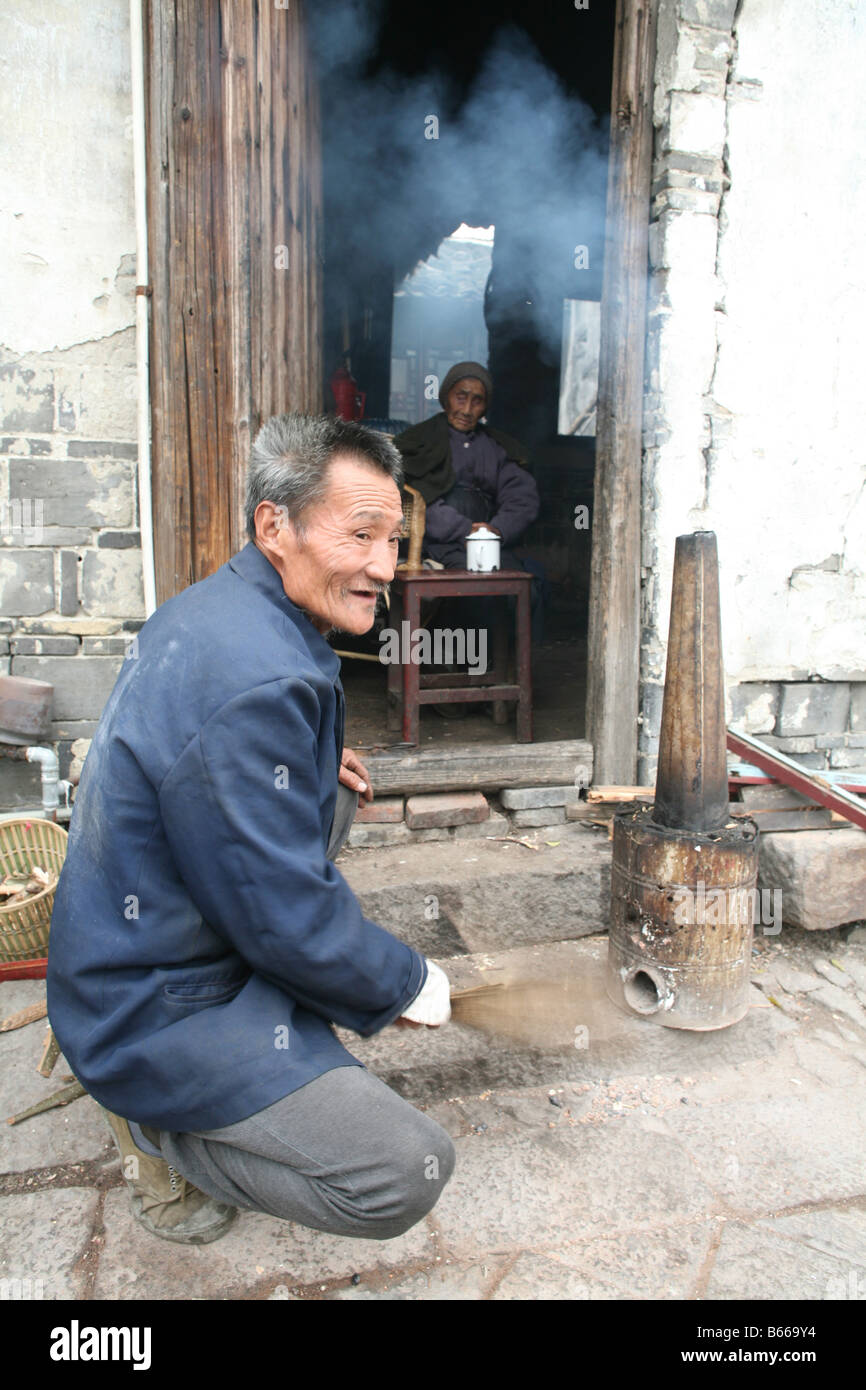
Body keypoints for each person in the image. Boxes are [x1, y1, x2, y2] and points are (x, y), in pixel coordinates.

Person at [46, 413, 455, 1245]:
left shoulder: (226, 606)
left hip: (140, 927)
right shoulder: (251, 677)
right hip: (144, 998)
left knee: (330, 794)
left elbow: (224, 747)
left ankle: (259, 1036)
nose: (385, 566)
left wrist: (307, 757)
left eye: (394, 539)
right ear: (276, 525)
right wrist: (402, 983)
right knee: (403, 1173)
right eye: (361, 535)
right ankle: (157, 1130)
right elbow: (282, 912)